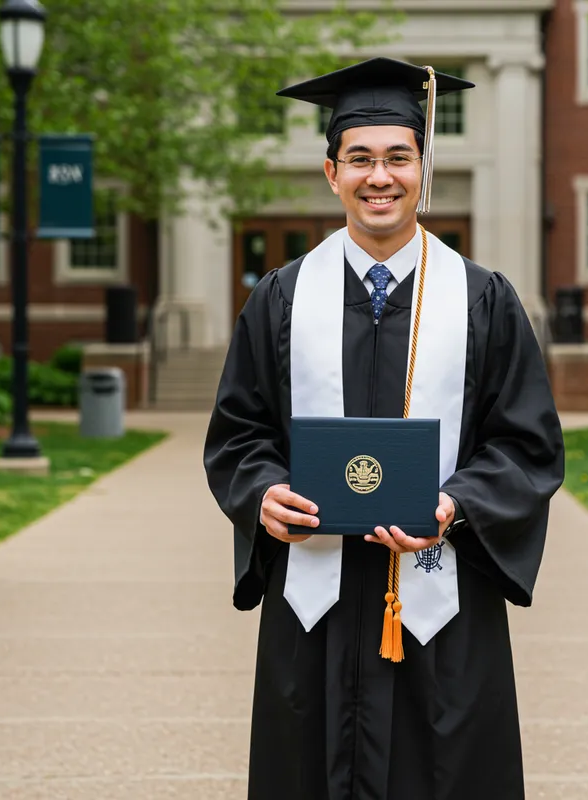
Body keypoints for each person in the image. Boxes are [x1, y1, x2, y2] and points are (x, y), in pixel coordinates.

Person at [204, 57, 565, 800]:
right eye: (360, 159)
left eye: (398, 157)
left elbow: (526, 445)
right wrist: (263, 494)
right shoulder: (279, 299)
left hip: (441, 606)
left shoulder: (483, 300)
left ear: (422, 170)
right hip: (315, 612)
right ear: (331, 171)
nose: (380, 177)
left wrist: (456, 505)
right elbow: (240, 433)